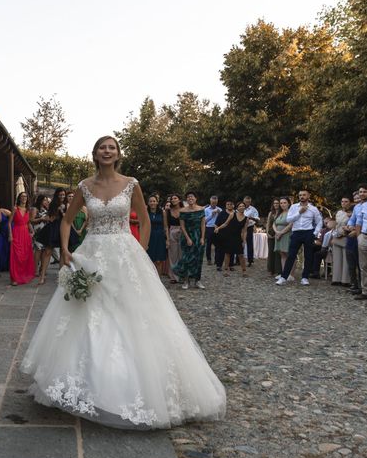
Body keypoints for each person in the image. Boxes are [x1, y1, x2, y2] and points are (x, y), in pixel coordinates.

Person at [20, 135, 226, 429]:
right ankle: (89, 383)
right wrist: (65, 249)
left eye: (112, 147)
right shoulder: (84, 186)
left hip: (124, 254)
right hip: (91, 253)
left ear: (118, 154)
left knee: (132, 314)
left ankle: (138, 386)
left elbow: (143, 219)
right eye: (102, 147)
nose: (107, 151)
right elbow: (66, 220)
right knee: (89, 314)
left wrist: (139, 253)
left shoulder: (131, 184)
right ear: (95, 153)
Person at [276, 190, 323, 286]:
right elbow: (289, 219)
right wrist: (299, 212)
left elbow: (319, 222)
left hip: (308, 232)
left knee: (308, 255)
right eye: (300, 195)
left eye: (304, 195)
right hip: (296, 232)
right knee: (291, 255)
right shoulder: (294, 207)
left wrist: (315, 233)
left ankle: (305, 277)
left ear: (308, 196)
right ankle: (284, 277)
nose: (302, 196)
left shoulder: (313, 209)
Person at [173, 192, 206, 290]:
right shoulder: (182, 211)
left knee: (198, 259)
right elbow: (182, 226)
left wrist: (202, 238)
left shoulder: (201, 210)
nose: (190, 198)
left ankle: (197, 281)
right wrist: (187, 238)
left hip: (198, 236)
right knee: (187, 258)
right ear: (186, 200)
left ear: (196, 198)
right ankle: (186, 281)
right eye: (188, 197)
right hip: (187, 236)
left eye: (192, 196)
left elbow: (203, 225)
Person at [37, 188, 66, 285]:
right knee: (48, 251)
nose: (62, 196)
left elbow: (68, 218)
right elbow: (51, 219)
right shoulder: (53, 204)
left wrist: (63, 211)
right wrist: (57, 211)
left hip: (63, 228)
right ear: (57, 195)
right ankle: (42, 276)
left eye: (63, 195)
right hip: (54, 228)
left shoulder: (67, 205)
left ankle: (61, 276)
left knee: (63, 251)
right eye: (60, 195)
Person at [345, 186, 367, 294]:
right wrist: (349, 226)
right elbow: (352, 220)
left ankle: (365, 288)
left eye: (365, 192)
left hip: (365, 236)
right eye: (360, 192)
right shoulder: (357, 207)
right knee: (354, 262)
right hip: (353, 237)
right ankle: (356, 285)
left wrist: (356, 230)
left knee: (364, 265)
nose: (362, 194)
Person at [215, 201, 249, 277]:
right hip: (229, 236)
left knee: (240, 255)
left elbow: (244, 231)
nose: (241, 207)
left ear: (245, 207)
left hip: (237, 238)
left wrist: (244, 240)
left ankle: (244, 271)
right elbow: (225, 223)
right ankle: (226, 270)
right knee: (227, 253)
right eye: (240, 206)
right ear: (237, 208)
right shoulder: (232, 214)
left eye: (243, 206)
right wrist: (218, 228)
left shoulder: (246, 219)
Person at [9, 192, 36, 286]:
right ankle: (14, 278)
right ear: (19, 198)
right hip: (16, 232)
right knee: (16, 256)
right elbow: (9, 223)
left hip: (26, 234)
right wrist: (10, 235)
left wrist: (32, 231)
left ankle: (23, 275)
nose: (24, 198)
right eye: (22, 196)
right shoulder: (15, 208)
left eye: (25, 196)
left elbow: (28, 223)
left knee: (25, 255)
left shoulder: (28, 210)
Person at [354, 183, 367, 300]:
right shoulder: (365, 205)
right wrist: (359, 237)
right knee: (364, 266)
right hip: (365, 237)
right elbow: (359, 222)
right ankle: (366, 291)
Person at [331, 197, 352, 286]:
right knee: (337, 259)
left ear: (350, 203)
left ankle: (345, 280)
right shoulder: (339, 213)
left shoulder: (352, 213)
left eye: (346, 201)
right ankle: (336, 279)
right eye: (342, 201)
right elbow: (335, 225)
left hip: (346, 236)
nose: (343, 203)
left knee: (346, 260)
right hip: (337, 236)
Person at [273, 197, 294, 281]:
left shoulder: (291, 213)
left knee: (289, 254)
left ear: (288, 203)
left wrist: (281, 233)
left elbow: (290, 224)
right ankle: (284, 273)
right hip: (278, 234)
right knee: (282, 253)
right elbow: (274, 223)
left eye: (284, 203)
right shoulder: (280, 213)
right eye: (281, 203)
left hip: (287, 234)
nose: (282, 204)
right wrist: (276, 232)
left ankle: (291, 274)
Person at [146, 194, 167, 275]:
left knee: (159, 260)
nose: (152, 203)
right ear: (148, 203)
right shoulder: (146, 213)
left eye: (154, 201)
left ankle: (159, 280)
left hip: (160, 238)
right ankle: (150, 279)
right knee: (149, 260)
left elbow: (165, 227)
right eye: (150, 201)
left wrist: (167, 239)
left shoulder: (162, 212)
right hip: (149, 237)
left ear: (157, 202)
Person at [164, 194, 183, 283]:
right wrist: (167, 239)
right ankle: (173, 277)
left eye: (175, 198)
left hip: (182, 231)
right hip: (172, 231)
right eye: (172, 199)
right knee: (172, 255)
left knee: (182, 255)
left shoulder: (184, 210)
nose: (173, 200)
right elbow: (166, 226)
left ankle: (182, 275)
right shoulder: (168, 211)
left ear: (179, 200)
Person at [31, 195, 50, 276]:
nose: (46, 202)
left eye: (46, 200)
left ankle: (42, 269)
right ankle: (35, 270)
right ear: (40, 200)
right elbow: (31, 220)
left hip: (46, 231)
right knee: (38, 251)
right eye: (44, 200)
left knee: (44, 251)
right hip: (38, 232)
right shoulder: (35, 209)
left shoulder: (46, 209)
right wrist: (41, 219)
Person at [213, 200, 235, 271]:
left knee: (231, 250)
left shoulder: (236, 213)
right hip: (222, 234)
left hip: (232, 234)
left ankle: (231, 265)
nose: (229, 205)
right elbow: (216, 224)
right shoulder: (222, 213)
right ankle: (219, 265)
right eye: (227, 204)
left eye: (230, 204)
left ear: (233, 205)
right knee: (221, 251)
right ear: (226, 205)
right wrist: (216, 231)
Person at [266, 198, 282, 276]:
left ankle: (278, 270)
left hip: (279, 234)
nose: (276, 205)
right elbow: (268, 223)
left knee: (278, 252)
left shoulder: (282, 213)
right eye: (274, 203)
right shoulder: (271, 213)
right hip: (271, 233)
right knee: (271, 251)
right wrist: (267, 233)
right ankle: (270, 270)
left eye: (277, 203)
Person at [204, 196, 221, 265]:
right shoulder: (206, 210)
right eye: (213, 202)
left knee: (218, 245)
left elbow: (222, 220)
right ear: (210, 201)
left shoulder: (220, 209)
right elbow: (205, 221)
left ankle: (217, 260)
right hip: (209, 228)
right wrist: (212, 214)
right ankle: (209, 259)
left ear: (217, 202)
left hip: (217, 228)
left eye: (215, 202)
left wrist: (220, 214)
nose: (214, 203)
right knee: (209, 244)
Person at [243, 196, 259, 266]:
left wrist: (251, 218)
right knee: (239, 242)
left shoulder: (253, 209)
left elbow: (257, 219)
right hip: (241, 227)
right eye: (246, 201)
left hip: (249, 227)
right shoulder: (240, 207)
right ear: (244, 201)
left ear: (250, 202)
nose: (247, 203)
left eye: (248, 202)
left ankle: (250, 260)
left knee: (249, 243)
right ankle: (238, 259)